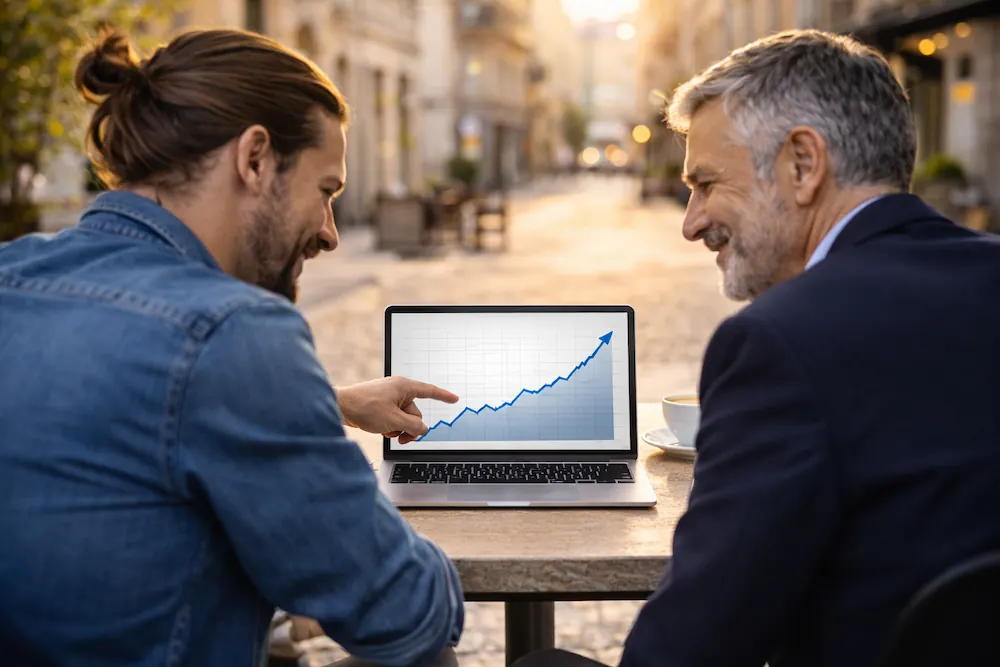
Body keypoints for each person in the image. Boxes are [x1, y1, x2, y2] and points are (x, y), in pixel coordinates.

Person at [514, 28, 1000, 667]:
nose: (690, 223)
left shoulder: (783, 342)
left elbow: (689, 648)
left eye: (707, 184)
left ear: (802, 164)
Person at [0, 29, 464, 667]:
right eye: (325, 192)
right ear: (255, 159)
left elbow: (115, 396)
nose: (330, 233)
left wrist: (330, 404)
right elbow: (405, 612)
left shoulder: (13, 273)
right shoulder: (232, 330)